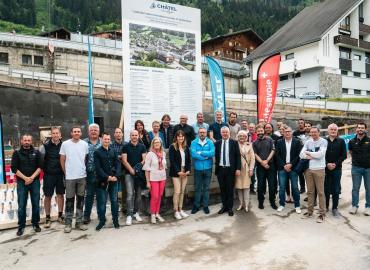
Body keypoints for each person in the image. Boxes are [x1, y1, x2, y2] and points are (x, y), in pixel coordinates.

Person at [11, 134, 42, 236]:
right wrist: (25, 178)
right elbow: (14, 168)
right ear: (21, 141)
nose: (27, 142)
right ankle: (21, 226)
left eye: (29, 140)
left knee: (36, 204)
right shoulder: (16, 153)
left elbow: (40, 167)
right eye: (25, 140)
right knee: (21, 205)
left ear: (31, 141)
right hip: (22, 182)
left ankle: (35, 224)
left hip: (35, 182)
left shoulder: (37, 152)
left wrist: (32, 178)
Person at [60, 126, 89, 233]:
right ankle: (68, 223)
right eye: (74, 131)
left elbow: (85, 159)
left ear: (81, 133)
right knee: (69, 200)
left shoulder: (85, 144)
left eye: (78, 131)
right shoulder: (65, 144)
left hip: (82, 176)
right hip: (70, 177)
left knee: (81, 200)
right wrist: (66, 172)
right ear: (71, 133)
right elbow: (62, 159)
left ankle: (79, 222)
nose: (76, 133)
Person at [300, 126, 328, 223]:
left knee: (320, 192)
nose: (313, 134)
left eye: (315, 132)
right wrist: (309, 155)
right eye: (311, 132)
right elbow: (301, 154)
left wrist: (308, 153)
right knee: (310, 192)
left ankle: (322, 213)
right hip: (308, 169)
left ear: (319, 133)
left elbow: (320, 155)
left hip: (319, 169)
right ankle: (309, 211)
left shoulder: (323, 141)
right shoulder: (308, 142)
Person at [94, 133, 121, 230]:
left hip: (114, 180)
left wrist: (116, 176)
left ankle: (115, 221)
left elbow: (118, 164)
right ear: (101, 139)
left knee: (114, 201)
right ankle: (102, 221)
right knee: (102, 203)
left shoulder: (113, 151)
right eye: (105, 139)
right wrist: (107, 177)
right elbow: (98, 168)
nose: (107, 141)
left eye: (108, 139)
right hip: (102, 181)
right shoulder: (97, 152)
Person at [39, 127, 65, 228]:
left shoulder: (64, 145)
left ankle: (60, 215)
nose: (55, 135)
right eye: (53, 133)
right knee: (48, 196)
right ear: (51, 135)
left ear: (60, 134)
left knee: (60, 195)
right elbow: (41, 161)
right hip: (49, 175)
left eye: (57, 133)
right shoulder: (44, 146)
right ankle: (48, 218)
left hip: (60, 175)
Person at [215, 126, 241, 216]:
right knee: (222, 190)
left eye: (226, 132)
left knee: (230, 190)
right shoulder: (217, 143)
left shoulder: (234, 143)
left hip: (231, 170)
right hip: (221, 169)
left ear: (229, 133)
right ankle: (224, 206)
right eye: (223, 132)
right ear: (221, 133)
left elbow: (238, 156)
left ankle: (230, 208)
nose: (225, 134)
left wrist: (238, 168)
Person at [122, 130, 147, 225]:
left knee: (138, 195)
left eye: (136, 135)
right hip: (129, 174)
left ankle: (136, 212)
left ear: (138, 136)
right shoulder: (125, 146)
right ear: (130, 136)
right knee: (129, 195)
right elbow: (124, 160)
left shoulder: (142, 146)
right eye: (133, 135)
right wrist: (131, 170)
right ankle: (129, 215)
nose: (134, 136)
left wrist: (138, 167)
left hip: (139, 174)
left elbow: (144, 159)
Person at [276, 126, 302, 213]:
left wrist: (291, 164)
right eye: (285, 131)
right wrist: (284, 165)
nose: (287, 133)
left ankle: (297, 205)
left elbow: (298, 155)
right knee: (282, 187)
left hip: (293, 168)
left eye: (289, 131)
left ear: (292, 132)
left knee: (295, 187)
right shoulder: (279, 142)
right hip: (282, 168)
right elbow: (277, 155)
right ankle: (282, 204)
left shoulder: (297, 142)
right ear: (283, 133)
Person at [190, 127, 215, 214]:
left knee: (206, 188)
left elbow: (212, 153)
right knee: (197, 188)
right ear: (198, 133)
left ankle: (205, 206)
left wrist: (201, 152)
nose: (202, 134)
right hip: (198, 169)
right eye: (200, 132)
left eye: (204, 132)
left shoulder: (210, 142)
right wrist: (205, 157)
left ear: (206, 133)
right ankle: (196, 206)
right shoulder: (193, 142)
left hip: (208, 168)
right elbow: (193, 154)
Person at [143, 138, 167, 224]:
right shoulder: (150, 154)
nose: (157, 143)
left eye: (158, 142)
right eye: (155, 142)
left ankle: (157, 213)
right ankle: (152, 214)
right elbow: (146, 169)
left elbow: (164, 166)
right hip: (153, 179)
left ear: (161, 143)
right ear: (153, 144)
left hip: (162, 178)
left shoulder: (163, 153)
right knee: (155, 196)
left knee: (160, 196)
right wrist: (148, 182)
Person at [253, 125, 277, 210]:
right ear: (256, 132)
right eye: (258, 131)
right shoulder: (254, 143)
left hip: (270, 165)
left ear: (264, 131)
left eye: (261, 131)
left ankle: (272, 201)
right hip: (260, 167)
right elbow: (255, 154)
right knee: (260, 185)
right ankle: (260, 201)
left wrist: (266, 160)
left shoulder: (270, 140)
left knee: (272, 185)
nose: (260, 132)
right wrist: (262, 162)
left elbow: (273, 150)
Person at [348, 122, 370, 216]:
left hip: (368, 169)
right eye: (359, 128)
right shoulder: (352, 141)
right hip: (356, 168)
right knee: (355, 188)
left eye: (362, 128)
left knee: (368, 189)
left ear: (366, 129)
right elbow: (351, 152)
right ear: (356, 129)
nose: (360, 129)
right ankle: (354, 206)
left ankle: (368, 207)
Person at [325, 123, 347, 217]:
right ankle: (325, 207)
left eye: (335, 130)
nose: (333, 131)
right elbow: (321, 154)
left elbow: (344, 155)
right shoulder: (323, 141)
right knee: (326, 188)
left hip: (337, 169)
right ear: (328, 130)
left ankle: (334, 208)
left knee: (336, 189)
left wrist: (335, 164)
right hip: (325, 169)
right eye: (331, 129)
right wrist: (327, 163)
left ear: (337, 131)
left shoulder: (341, 141)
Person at [169, 130, 191, 220]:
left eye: (182, 136)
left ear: (184, 137)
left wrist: (188, 170)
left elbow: (189, 160)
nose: (180, 138)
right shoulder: (172, 147)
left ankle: (181, 209)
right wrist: (178, 171)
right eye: (179, 136)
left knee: (182, 191)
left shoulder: (186, 147)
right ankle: (175, 211)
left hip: (185, 172)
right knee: (177, 192)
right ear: (176, 137)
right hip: (176, 173)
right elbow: (172, 161)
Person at [83, 123, 101, 225]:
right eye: (92, 130)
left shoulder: (103, 142)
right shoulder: (83, 143)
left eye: (95, 130)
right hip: (88, 173)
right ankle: (86, 216)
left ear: (98, 132)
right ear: (89, 132)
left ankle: (100, 214)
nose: (93, 132)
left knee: (100, 195)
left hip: (101, 174)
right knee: (89, 195)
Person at [235, 130, 255, 212]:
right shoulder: (235, 145)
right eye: (240, 136)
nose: (242, 137)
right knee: (239, 187)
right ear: (238, 137)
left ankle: (246, 205)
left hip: (247, 169)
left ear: (246, 137)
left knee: (246, 187)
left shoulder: (249, 145)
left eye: (243, 136)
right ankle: (241, 204)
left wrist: (251, 169)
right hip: (238, 169)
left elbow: (253, 158)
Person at [110, 128, 125, 211]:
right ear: (114, 134)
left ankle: (124, 207)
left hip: (124, 170)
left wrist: (119, 157)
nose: (118, 134)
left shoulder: (126, 144)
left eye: (120, 132)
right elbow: (111, 157)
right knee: (115, 191)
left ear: (122, 134)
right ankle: (116, 207)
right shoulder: (111, 145)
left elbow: (127, 156)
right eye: (117, 132)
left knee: (124, 190)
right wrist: (120, 157)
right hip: (114, 171)